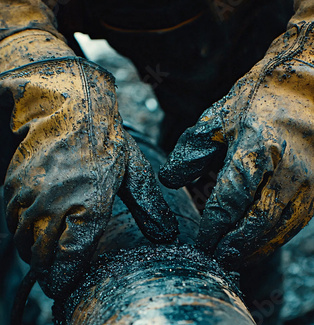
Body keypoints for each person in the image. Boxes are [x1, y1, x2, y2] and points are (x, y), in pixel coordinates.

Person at [0, 0, 313, 301]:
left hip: (259, 21)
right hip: (97, 14)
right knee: (34, 155)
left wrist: (302, 82)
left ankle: (245, 324)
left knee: (248, 179)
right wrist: (37, 78)